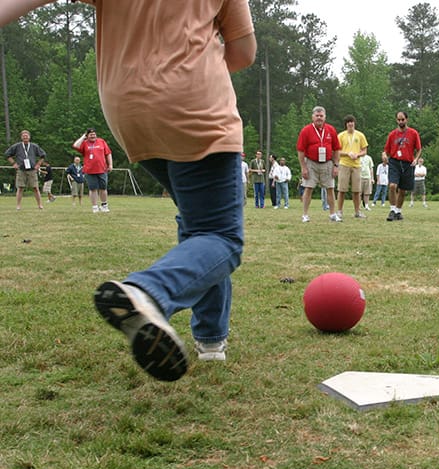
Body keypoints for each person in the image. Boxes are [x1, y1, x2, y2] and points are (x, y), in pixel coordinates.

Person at [0, 1, 257, 380]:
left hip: (130, 109)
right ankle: (148, 292)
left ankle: (211, 339)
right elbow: (243, 52)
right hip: (195, 107)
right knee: (221, 236)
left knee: (199, 224)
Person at [297, 105, 341, 222]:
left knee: (330, 188)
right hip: (311, 162)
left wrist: (336, 166)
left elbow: (337, 149)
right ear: (312, 117)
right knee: (308, 188)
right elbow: (300, 150)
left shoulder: (331, 130)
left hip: (327, 163)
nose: (319, 118)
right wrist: (303, 167)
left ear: (325, 117)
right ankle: (305, 215)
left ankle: (332, 214)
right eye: (317, 116)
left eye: (321, 116)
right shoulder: (306, 130)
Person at [383, 111, 422, 221]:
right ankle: (392, 210)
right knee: (392, 186)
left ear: (406, 119)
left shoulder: (413, 133)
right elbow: (386, 150)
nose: (401, 121)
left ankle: (398, 212)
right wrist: (384, 155)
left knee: (402, 190)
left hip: (407, 163)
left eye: (403, 119)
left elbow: (419, 149)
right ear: (396, 120)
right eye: (399, 120)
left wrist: (416, 159)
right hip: (394, 162)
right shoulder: (392, 134)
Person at [72, 127, 113, 213]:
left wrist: (110, 164)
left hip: (102, 169)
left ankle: (104, 205)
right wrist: (83, 137)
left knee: (103, 188)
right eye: (90, 134)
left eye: (94, 134)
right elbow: (75, 145)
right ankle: (95, 206)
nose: (93, 136)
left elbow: (108, 153)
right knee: (93, 189)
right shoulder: (85, 143)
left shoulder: (101, 141)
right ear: (87, 136)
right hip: (89, 170)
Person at [4, 129, 46, 210]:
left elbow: (43, 155)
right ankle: (18, 205)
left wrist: (38, 164)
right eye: (23, 136)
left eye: (26, 136)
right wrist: (13, 163)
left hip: (32, 170)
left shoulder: (34, 146)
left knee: (35, 188)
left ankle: (40, 205)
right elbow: (7, 154)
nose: (25, 137)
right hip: (21, 170)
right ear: (21, 137)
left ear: (29, 137)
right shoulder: (17, 146)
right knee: (20, 188)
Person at [336, 115, 368, 219]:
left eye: (352, 122)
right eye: (348, 122)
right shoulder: (341, 136)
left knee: (356, 190)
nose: (350, 124)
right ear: (346, 124)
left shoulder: (360, 135)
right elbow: (337, 152)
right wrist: (347, 154)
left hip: (356, 165)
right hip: (344, 164)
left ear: (354, 123)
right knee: (342, 189)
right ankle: (339, 211)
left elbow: (364, 150)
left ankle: (357, 212)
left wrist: (357, 155)